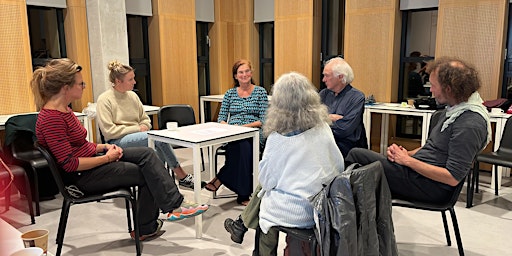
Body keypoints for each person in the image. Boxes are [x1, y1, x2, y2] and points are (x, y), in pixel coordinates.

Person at [31, 58, 208, 241]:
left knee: (149, 155)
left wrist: (104, 147)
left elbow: (81, 146)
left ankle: (169, 209)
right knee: (149, 172)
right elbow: (70, 164)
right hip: (80, 178)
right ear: (65, 87)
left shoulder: (65, 110)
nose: (84, 86)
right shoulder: (52, 118)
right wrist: (107, 158)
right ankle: (159, 217)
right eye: (80, 83)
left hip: (90, 165)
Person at [346, 56, 491, 204]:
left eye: (434, 86)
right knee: (359, 164)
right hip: (418, 174)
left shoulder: (469, 123)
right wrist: (404, 154)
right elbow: (433, 147)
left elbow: (452, 178)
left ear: (449, 89)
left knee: (357, 156)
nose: (431, 91)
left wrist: (407, 161)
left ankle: (348, 217)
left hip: (431, 187)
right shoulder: (453, 111)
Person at [255, 72, 344, 255]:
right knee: (265, 193)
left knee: (263, 202)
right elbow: (339, 165)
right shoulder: (323, 127)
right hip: (324, 205)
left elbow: (266, 181)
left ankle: (262, 250)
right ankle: (242, 223)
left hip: (297, 211)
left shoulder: (278, 138)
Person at [96, 60, 205, 189]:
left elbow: (145, 119)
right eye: (130, 79)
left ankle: (162, 182)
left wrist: (143, 127)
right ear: (118, 81)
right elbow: (109, 132)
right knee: (157, 138)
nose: (135, 82)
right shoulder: (105, 99)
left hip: (138, 135)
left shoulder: (132, 96)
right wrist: (137, 128)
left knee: (157, 142)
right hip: (116, 141)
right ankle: (180, 176)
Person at [204, 59, 268, 205]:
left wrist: (243, 128)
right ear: (235, 76)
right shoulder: (230, 94)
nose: (244, 75)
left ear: (251, 73)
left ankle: (222, 178)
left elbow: (263, 120)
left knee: (244, 147)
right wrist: (228, 127)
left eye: (247, 71)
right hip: (233, 133)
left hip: (254, 133)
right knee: (239, 146)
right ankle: (243, 192)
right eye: (240, 72)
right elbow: (221, 118)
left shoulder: (260, 92)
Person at [319, 57, 367, 156]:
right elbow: (311, 120)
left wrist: (323, 121)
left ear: (340, 77)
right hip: (326, 143)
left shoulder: (357, 97)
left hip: (347, 148)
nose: (324, 80)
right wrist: (331, 118)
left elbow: (343, 130)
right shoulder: (324, 94)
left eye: (327, 76)